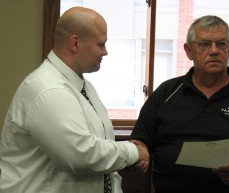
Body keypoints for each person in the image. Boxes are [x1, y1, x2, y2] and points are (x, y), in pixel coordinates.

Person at [130, 15, 229, 193]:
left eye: (221, 44)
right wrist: (141, 151)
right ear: (189, 51)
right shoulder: (167, 93)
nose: (214, 51)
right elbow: (140, 140)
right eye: (204, 44)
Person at [0, 7, 149, 193]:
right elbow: (81, 155)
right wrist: (134, 152)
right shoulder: (48, 89)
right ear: (75, 44)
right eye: (100, 44)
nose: (105, 52)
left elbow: (103, 165)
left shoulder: (83, 87)